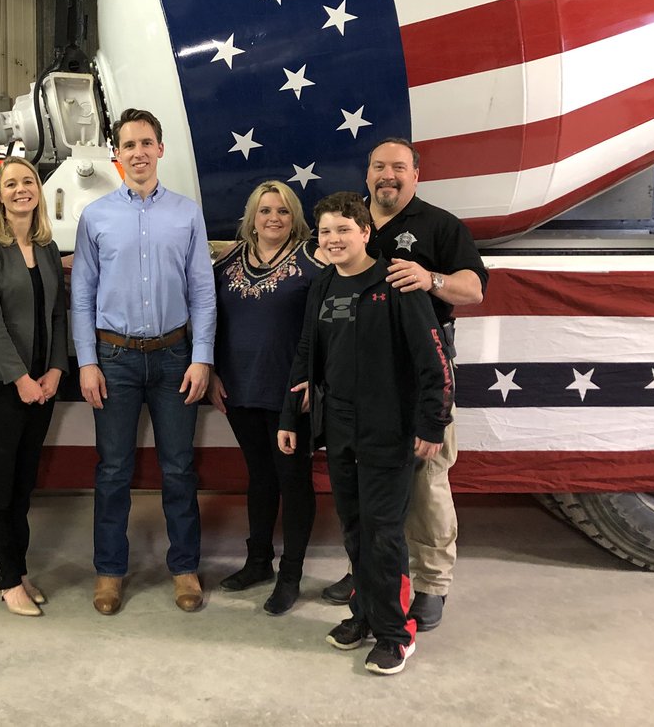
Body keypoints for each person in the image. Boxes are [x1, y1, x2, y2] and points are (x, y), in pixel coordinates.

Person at [281, 191, 453, 675]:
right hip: (339, 427)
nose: (333, 239)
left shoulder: (397, 283)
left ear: (365, 232)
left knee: (383, 533)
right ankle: (364, 615)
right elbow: (306, 352)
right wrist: (290, 417)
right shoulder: (323, 284)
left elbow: (435, 361)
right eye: (325, 231)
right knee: (355, 528)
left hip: (388, 428)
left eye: (343, 229)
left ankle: (396, 633)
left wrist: (432, 424)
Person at [320, 138, 486, 632]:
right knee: (364, 478)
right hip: (360, 374)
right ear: (367, 173)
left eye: (397, 167)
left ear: (416, 174)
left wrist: (430, 278)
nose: (386, 175)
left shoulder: (439, 225)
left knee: (425, 476)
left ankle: (432, 583)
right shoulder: (348, 220)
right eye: (378, 166)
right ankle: (369, 574)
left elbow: (474, 289)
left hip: (419, 371)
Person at [71, 107, 217, 615]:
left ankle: (185, 568)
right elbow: (82, 295)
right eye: (129, 144)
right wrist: (86, 362)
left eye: (146, 143)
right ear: (116, 154)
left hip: (176, 357)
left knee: (179, 468)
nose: (138, 152)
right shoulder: (96, 217)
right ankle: (109, 572)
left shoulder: (187, 213)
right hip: (114, 359)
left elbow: (202, 291)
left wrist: (202, 357)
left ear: (160, 149)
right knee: (113, 470)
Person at [208, 180, 326, 614]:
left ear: (295, 217)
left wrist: (317, 381)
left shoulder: (315, 260)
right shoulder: (227, 261)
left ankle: (291, 574)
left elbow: (328, 328)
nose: (273, 218)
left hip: (290, 392)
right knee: (259, 476)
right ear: (251, 218)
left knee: (293, 480)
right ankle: (258, 560)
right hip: (239, 388)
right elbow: (210, 319)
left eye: (282, 210)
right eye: (265, 210)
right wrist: (212, 371)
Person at [0, 158, 68, 617]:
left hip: (43, 384)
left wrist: (56, 370)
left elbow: (59, 315)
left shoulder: (46, 248)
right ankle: (5, 579)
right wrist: (20, 378)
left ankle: (19, 568)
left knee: (24, 485)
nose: (21, 189)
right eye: (11, 184)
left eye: (28, 181)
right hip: (2, 385)